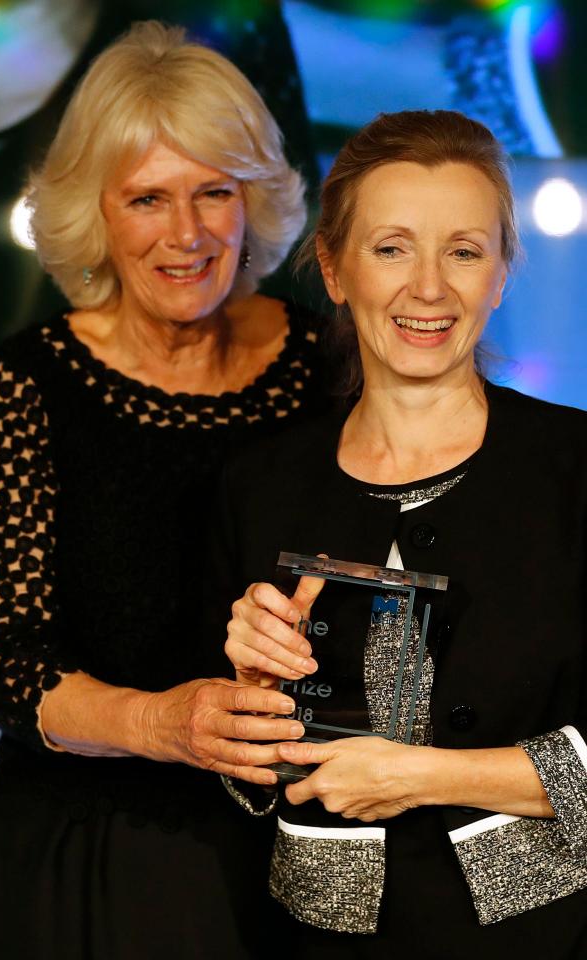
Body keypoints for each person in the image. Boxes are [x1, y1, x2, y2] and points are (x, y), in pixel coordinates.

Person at [0, 20, 326, 960]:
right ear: (97, 211)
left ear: (253, 203)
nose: (186, 233)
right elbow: (8, 665)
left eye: (216, 191)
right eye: (147, 199)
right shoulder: (26, 384)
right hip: (90, 851)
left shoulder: (326, 364)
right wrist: (167, 723)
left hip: (301, 848)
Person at [219, 110, 587, 958]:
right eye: (391, 248)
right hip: (309, 937)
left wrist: (425, 777)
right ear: (333, 269)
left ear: (502, 273)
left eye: (464, 250)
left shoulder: (575, 470)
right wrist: (249, 701)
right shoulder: (258, 484)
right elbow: (246, 791)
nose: (430, 288)